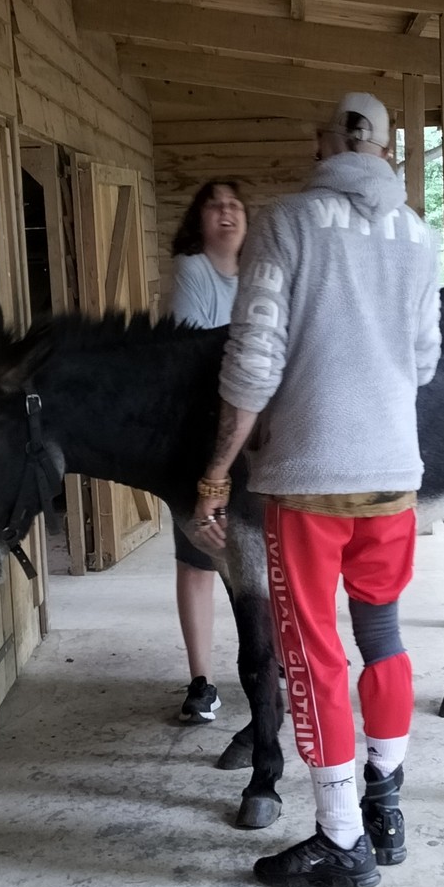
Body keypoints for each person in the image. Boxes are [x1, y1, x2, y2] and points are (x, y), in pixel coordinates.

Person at [192, 94, 442, 887]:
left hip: (310, 480)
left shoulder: (286, 222)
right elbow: (427, 360)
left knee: (313, 654)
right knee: (383, 635)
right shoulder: (418, 233)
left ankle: (341, 841)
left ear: (322, 142)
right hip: (394, 478)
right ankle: (385, 804)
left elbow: (254, 361)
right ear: (386, 147)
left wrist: (218, 469)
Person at [169, 180, 248, 724]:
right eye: (215, 204)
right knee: (198, 560)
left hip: (256, 435)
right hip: (202, 432)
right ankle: (201, 681)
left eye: (235, 205)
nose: (226, 212)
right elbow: (194, 353)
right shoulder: (191, 272)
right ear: (199, 219)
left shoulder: (259, 277)